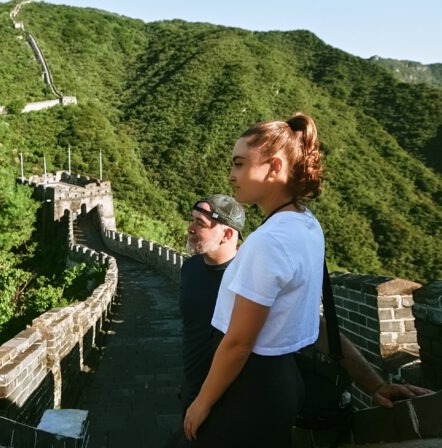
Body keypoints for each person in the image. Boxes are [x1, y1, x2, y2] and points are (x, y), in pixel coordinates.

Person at [180, 114, 429, 447]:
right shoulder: (306, 224)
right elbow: (315, 321)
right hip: (281, 386)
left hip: (248, 391)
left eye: (239, 164)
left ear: (274, 167)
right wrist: (374, 383)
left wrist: (202, 403)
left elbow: (239, 344)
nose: (231, 175)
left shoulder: (268, 242)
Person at [179, 194, 431, 423]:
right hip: (195, 396)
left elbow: (316, 329)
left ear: (227, 235)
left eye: (200, 223)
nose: (190, 228)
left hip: (239, 403)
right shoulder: (189, 270)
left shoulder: (255, 277)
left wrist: (374, 386)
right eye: (192, 220)